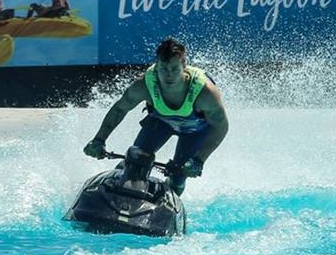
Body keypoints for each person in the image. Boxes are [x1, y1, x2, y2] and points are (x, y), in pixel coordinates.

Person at [83, 38, 229, 196]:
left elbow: (221, 127)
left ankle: (172, 194)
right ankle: (118, 181)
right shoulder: (143, 85)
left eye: (174, 69)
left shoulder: (205, 92)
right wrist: (99, 139)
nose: (169, 75)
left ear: (184, 66)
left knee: (178, 177)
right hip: (160, 123)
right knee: (135, 159)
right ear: (157, 66)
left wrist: (199, 160)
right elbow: (119, 109)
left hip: (195, 132)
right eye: (164, 69)